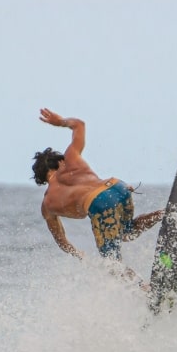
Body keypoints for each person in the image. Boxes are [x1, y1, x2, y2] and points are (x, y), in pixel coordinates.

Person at [33, 108, 163, 277]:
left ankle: (145, 289)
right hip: (118, 186)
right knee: (127, 231)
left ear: (42, 179)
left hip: (100, 204)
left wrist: (77, 254)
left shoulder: (48, 204)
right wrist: (60, 122)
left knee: (112, 264)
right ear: (59, 162)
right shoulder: (70, 157)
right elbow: (79, 124)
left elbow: (61, 240)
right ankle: (166, 214)